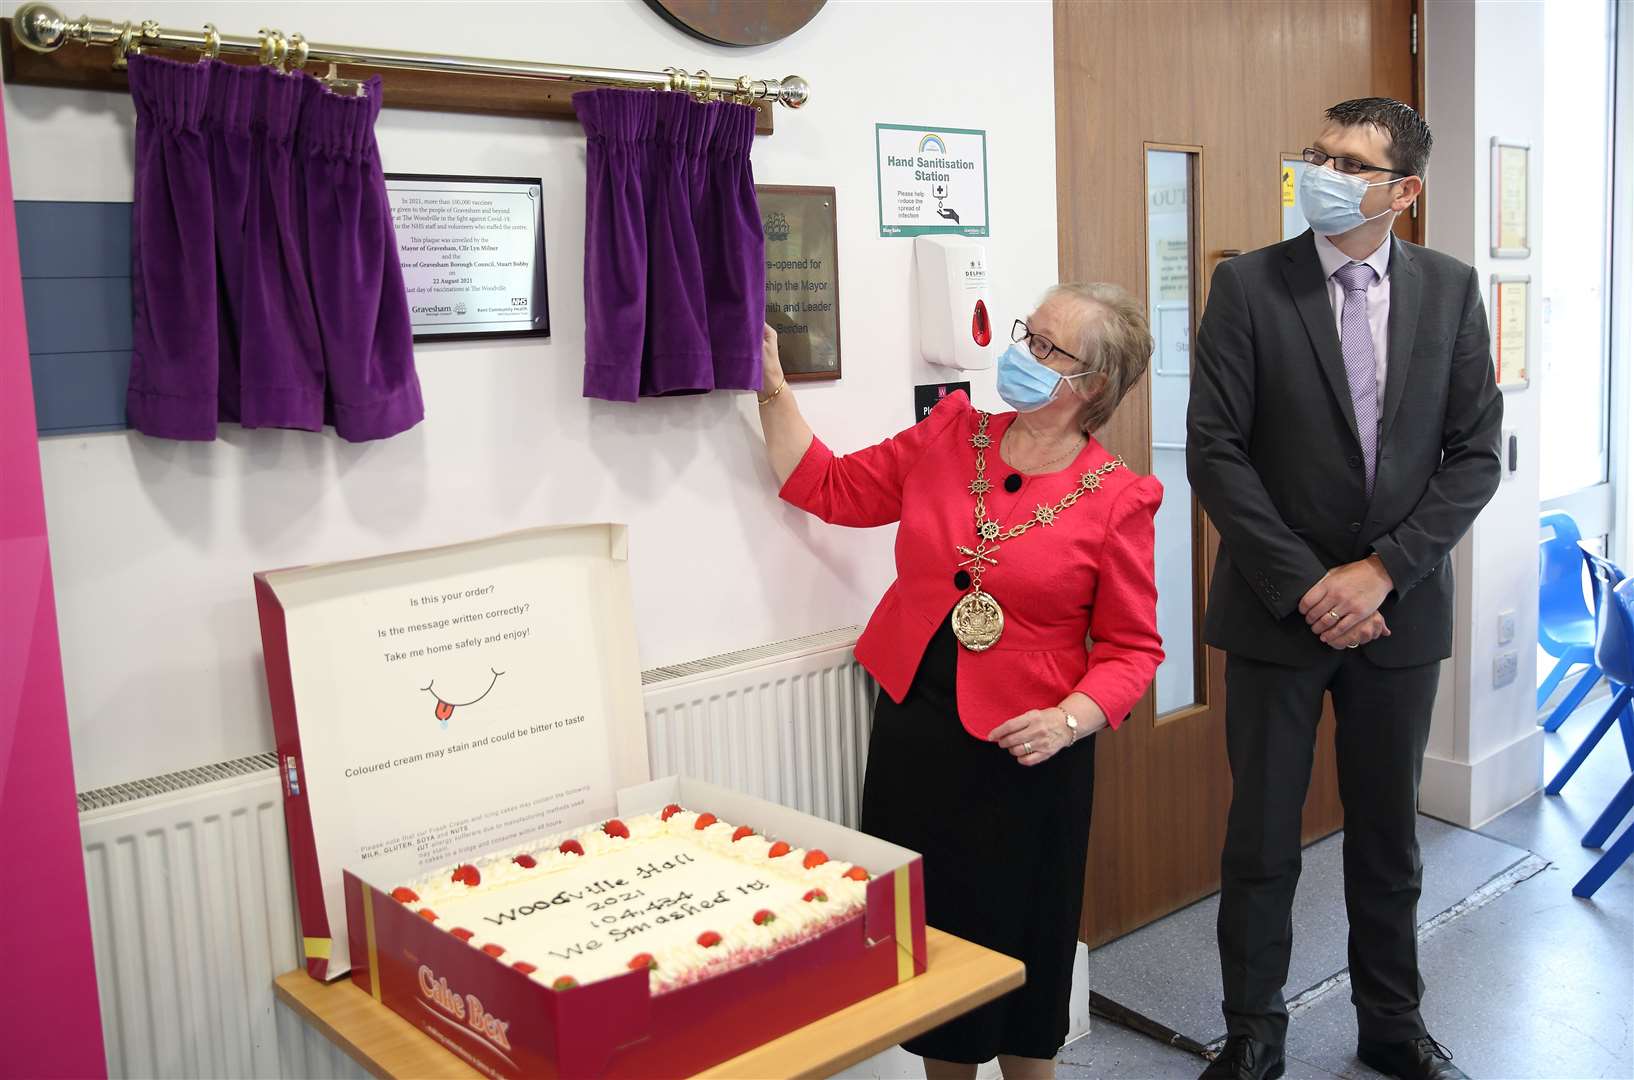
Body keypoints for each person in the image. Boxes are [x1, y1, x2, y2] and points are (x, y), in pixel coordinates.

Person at [758, 284, 1164, 1079]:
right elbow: (831, 488)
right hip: (919, 731)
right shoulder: (950, 435)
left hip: (1030, 753)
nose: (1022, 352)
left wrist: (1072, 719)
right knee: (936, 956)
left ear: (1092, 388)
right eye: (1028, 332)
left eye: (1047, 347)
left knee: (1023, 956)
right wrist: (771, 388)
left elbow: (1132, 648)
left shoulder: (1119, 498)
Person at [1187, 98, 1502, 1080]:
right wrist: (1309, 585)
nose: (1321, 172)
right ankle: (1252, 1031)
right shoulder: (1246, 285)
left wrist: (1378, 574)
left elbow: (1473, 455)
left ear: (1401, 191)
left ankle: (1390, 1024)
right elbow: (1215, 452)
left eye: (1350, 162)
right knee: (1260, 841)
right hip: (1276, 613)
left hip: (1396, 615)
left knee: (1385, 842)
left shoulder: (1449, 291)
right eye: (1316, 155)